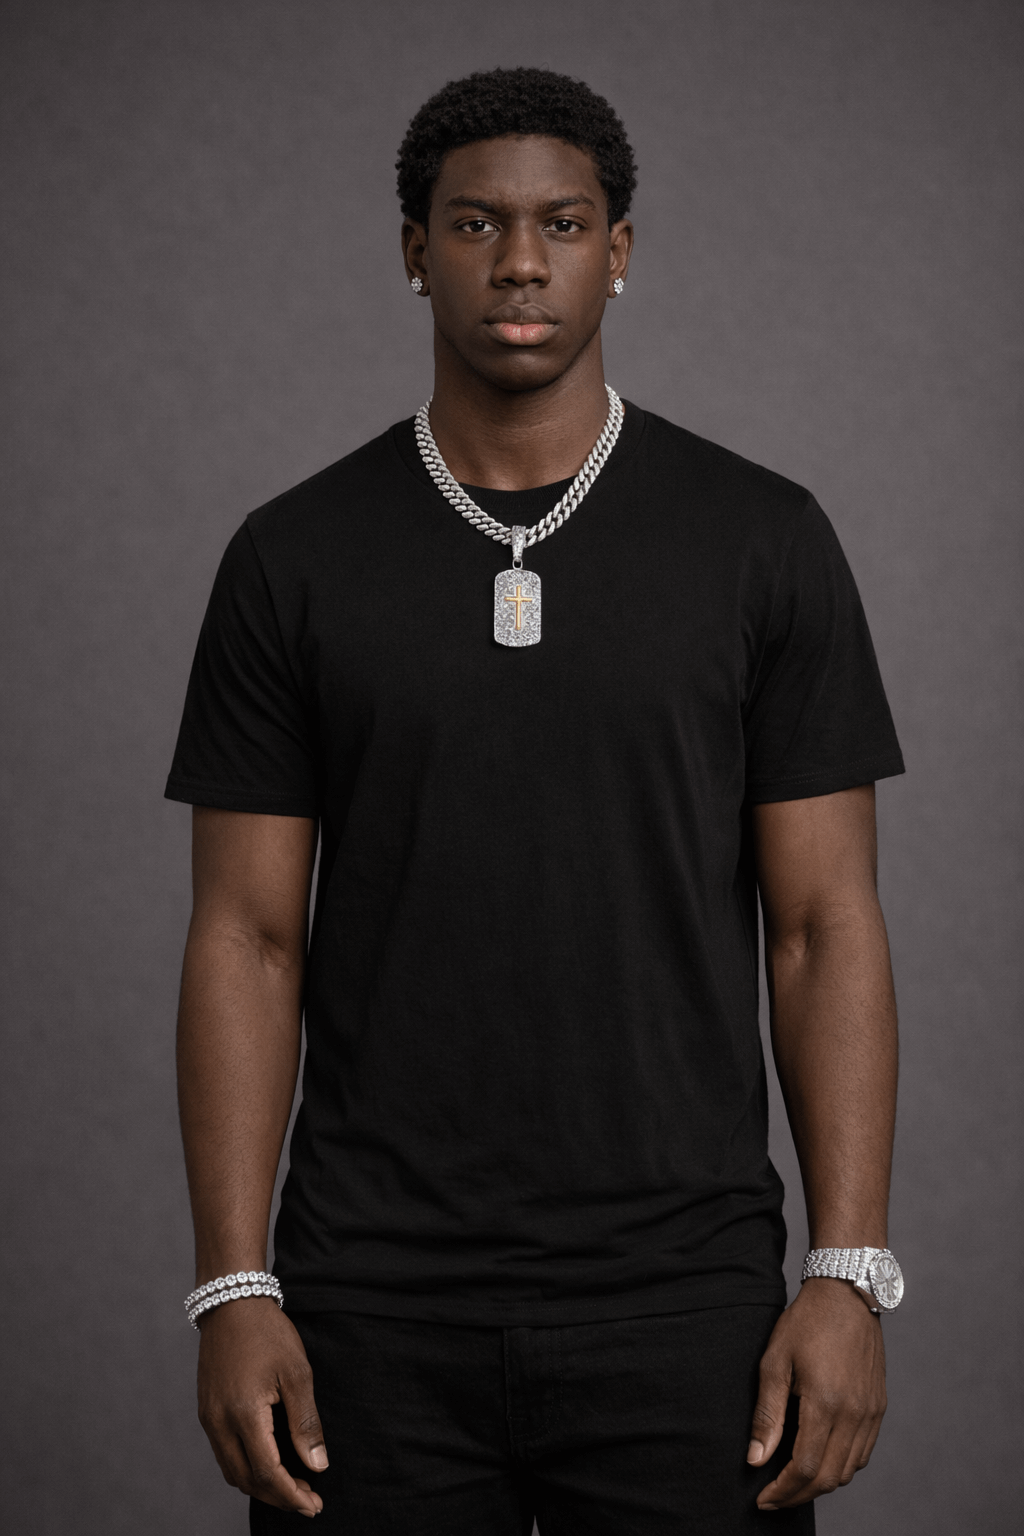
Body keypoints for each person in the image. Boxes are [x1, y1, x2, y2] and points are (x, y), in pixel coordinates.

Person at [168, 67, 905, 1534]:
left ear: (619, 250)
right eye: (476, 223)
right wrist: (233, 1288)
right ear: (412, 247)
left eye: (564, 223)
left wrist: (848, 1270)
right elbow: (246, 938)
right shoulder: (293, 558)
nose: (520, 261)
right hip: (369, 1310)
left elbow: (824, 924)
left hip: (686, 1307)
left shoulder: (762, 541)